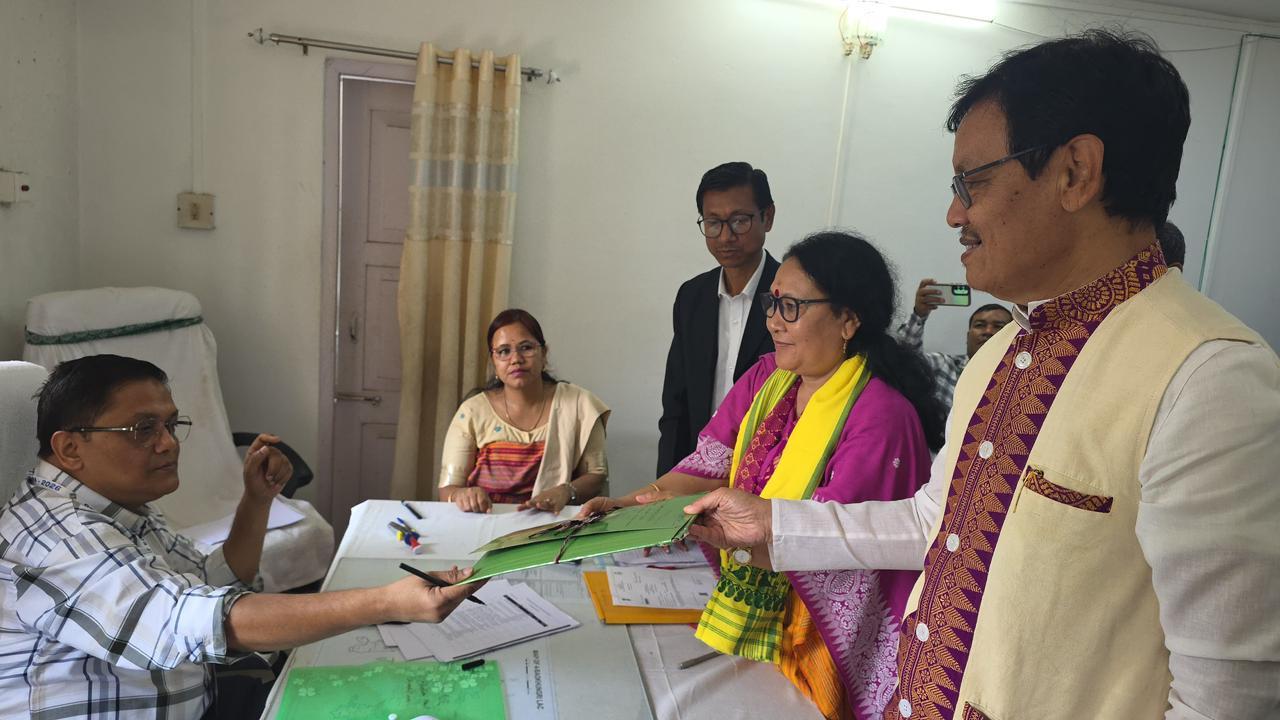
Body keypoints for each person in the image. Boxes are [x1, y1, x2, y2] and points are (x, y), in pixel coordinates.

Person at [683, 30, 1280, 720]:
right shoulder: (1002, 355)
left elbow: (1229, 697)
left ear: (1075, 172)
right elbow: (933, 521)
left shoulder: (1206, 379)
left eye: (974, 182)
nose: (954, 214)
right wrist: (770, 527)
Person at [0, 354, 481, 720]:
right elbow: (188, 619)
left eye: (170, 425)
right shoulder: (54, 536)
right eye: (142, 429)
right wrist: (387, 603)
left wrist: (257, 499)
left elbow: (211, 581)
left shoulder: (121, 510)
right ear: (69, 447)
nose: (167, 443)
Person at [584, 232, 945, 719]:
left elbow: (831, 543)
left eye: (791, 306)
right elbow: (705, 465)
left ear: (848, 319)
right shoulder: (764, 379)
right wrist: (628, 506)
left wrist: (736, 532)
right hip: (765, 622)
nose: (774, 321)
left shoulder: (881, 414)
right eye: (772, 303)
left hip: (822, 638)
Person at [658, 162, 781, 475]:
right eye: (713, 223)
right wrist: (665, 485)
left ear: (767, 217)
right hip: (698, 473)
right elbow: (676, 405)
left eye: (739, 221)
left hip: (766, 472)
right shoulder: (692, 296)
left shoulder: (791, 296)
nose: (726, 236)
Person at [438, 309, 609, 514]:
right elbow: (448, 488)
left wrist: (566, 491)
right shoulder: (473, 412)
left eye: (526, 348)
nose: (516, 359)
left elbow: (596, 475)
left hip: (554, 524)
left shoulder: (579, 405)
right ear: (494, 361)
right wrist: (461, 495)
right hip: (486, 522)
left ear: (544, 354)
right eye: (503, 351)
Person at [895, 279, 1012, 408]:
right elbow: (902, 359)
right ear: (968, 337)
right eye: (980, 325)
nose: (988, 331)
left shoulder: (1023, 376)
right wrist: (919, 314)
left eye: (998, 326)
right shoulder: (945, 366)